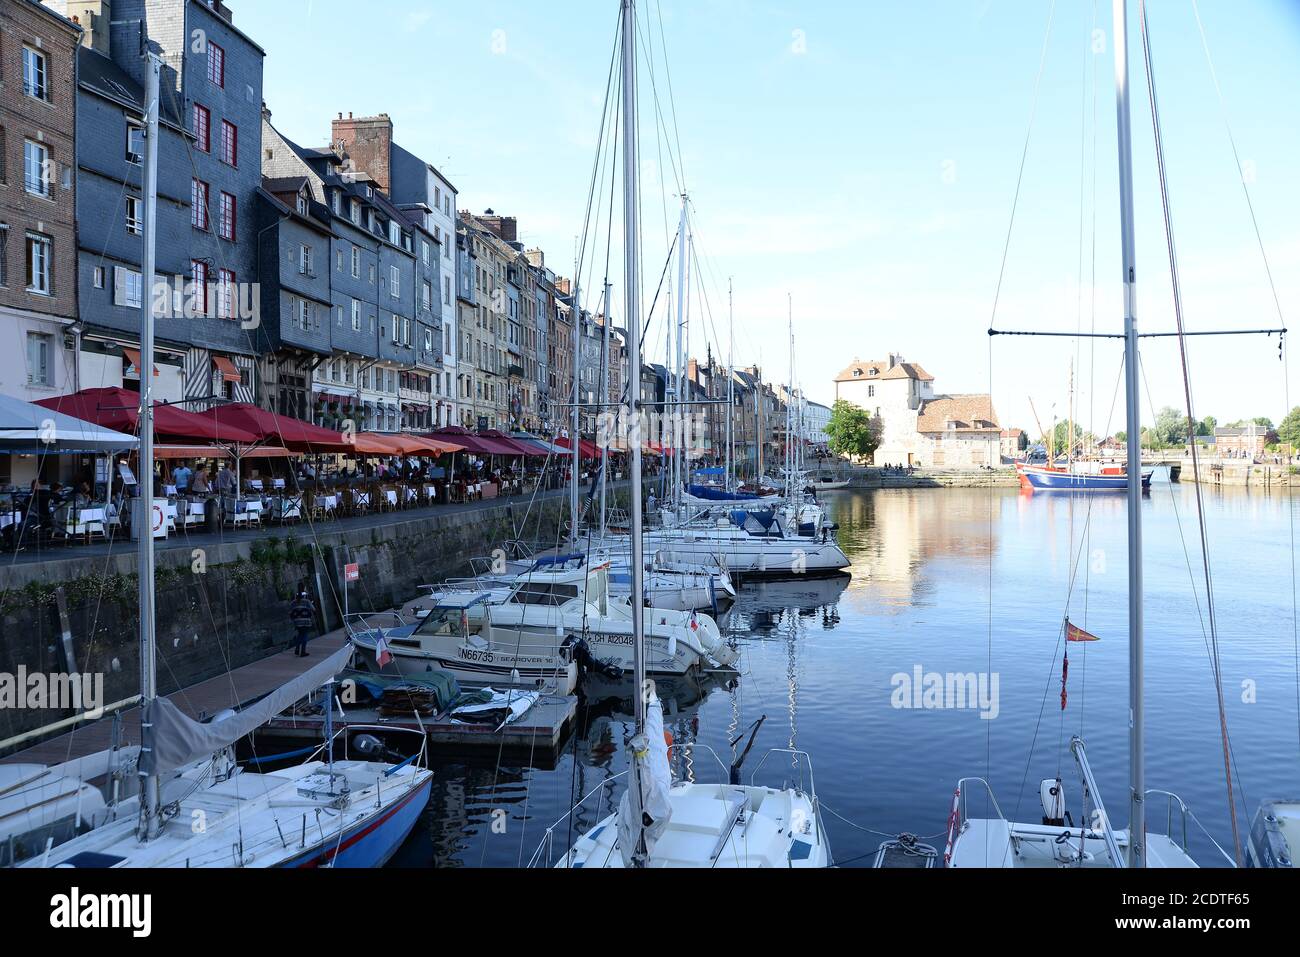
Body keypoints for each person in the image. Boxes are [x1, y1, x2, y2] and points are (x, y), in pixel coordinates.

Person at [289, 589, 316, 657]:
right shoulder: (307, 601)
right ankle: (303, 651)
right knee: (304, 635)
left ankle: (297, 649)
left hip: (297, 622)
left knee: (300, 634)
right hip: (305, 621)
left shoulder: (293, 602)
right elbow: (313, 609)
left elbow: (290, 612)